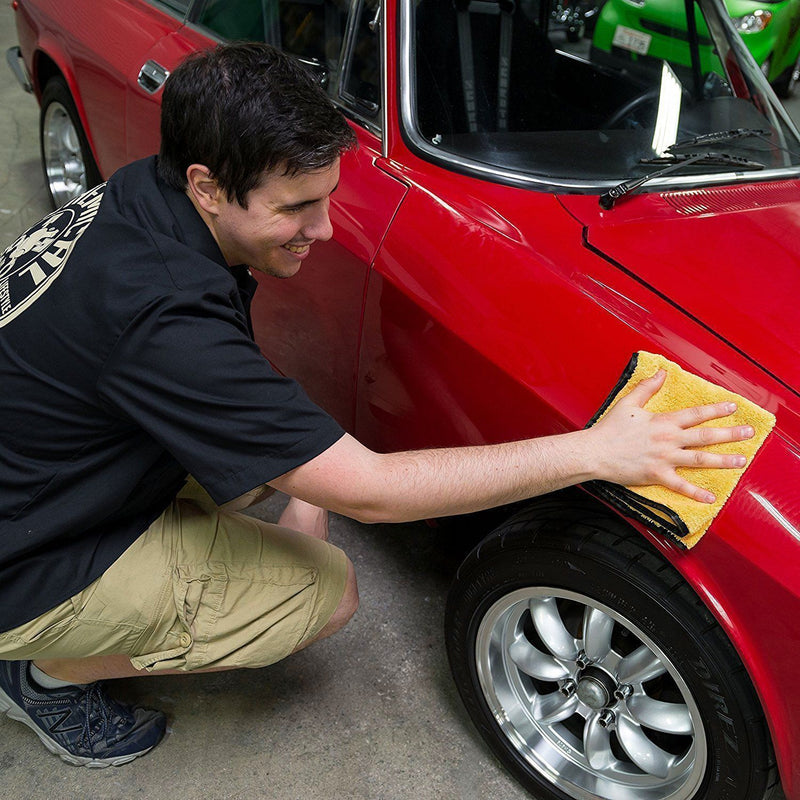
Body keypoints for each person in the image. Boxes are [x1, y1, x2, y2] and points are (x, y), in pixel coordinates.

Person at [0, 42, 754, 768]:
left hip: (41, 456)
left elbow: (220, 388)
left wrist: (301, 480)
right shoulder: (160, 315)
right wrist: (597, 451)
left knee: (280, 480)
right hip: (21, 556)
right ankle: (46, 676)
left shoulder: (143, 190)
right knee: (321, 591)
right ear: (205, 186)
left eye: (325, 198)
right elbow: (377, 495)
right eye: (296, 207)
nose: (324, 231)